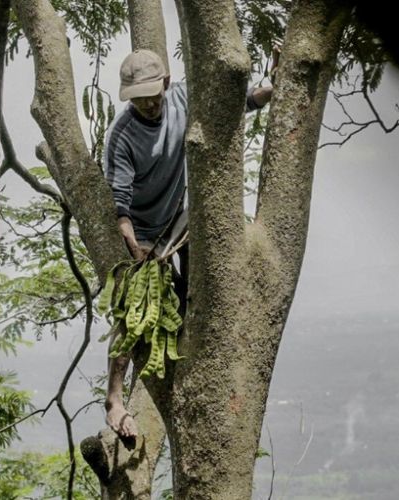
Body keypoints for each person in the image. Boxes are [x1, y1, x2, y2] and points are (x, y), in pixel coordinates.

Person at [103, 48, 275, 437]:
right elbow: (120, 209)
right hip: (143, 230)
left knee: (194, 296)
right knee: (134, 308)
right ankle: (114, 400)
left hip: (182, 219)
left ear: (165, 83)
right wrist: (136, 250)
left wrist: (274, 89)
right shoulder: (122, 137)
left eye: (153, 93)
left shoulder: (184, 97)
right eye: (139, 97)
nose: (148, 103)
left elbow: (241, 102)